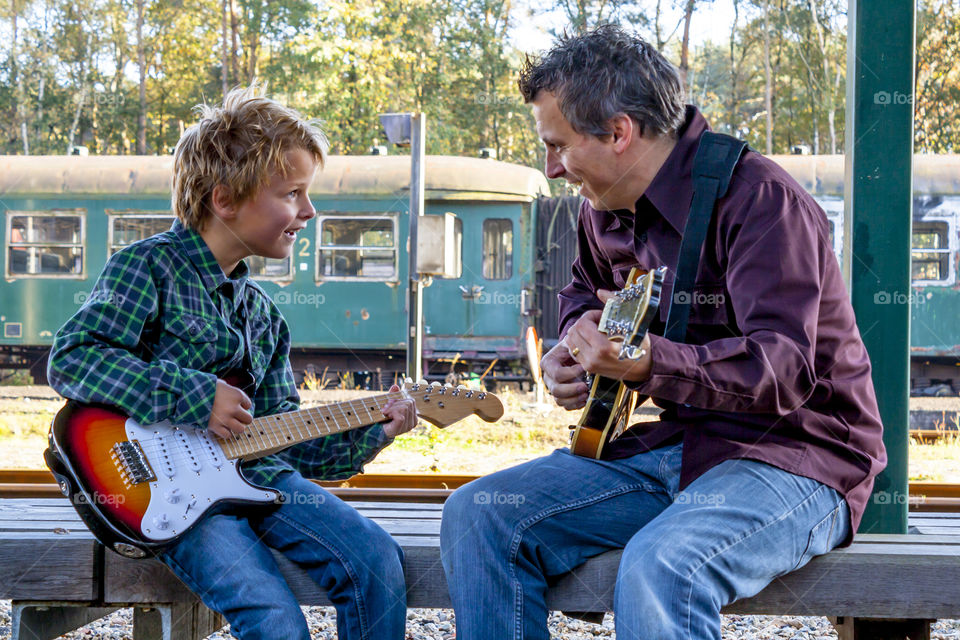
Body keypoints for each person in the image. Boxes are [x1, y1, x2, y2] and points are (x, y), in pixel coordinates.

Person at [440, 24, 887, 640]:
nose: (550, 168)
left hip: (798, 456)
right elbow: (579, 292)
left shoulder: (761, 200)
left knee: (664, 565)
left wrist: (649, 365)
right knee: (479, 516)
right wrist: (573, 345)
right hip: (676, 446)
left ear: (619, 132)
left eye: (558, 146)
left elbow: (782, 368)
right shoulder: (602, 210)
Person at [47, 84, 417, 640]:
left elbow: (285, 439)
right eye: (293, 193)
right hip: (164, 494)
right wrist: (197, 396)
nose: (309, 211)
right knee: (274, 621)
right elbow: (74, 359)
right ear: (225, 200)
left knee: (376, 563)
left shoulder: (264, 317)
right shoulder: (146, 268)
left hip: (257, 476)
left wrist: (375, 428)